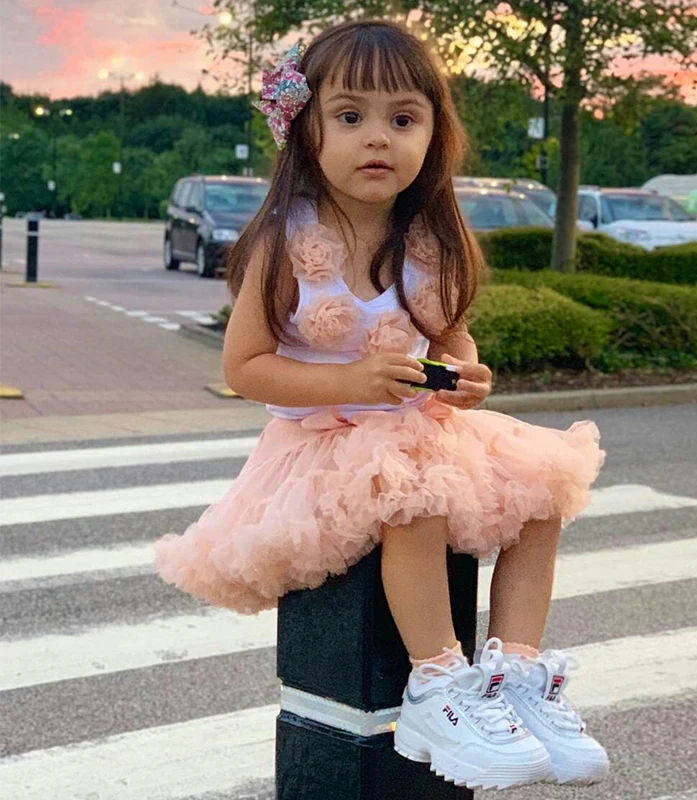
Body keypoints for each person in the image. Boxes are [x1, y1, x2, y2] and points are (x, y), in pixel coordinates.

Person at [155, 19, 608, 791]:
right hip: (323, 442)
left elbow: (451, 338)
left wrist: (463, 374)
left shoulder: (428, 239)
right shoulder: (288, 241)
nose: (378, 138)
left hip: (417, 426)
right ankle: (438, 683)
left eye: (403, 119)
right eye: (350, 116)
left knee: (542, 496)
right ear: (307, 131)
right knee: (413, 494)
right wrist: (352, 382)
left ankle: (515, 681)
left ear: (433, 134)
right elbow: (246, 367)